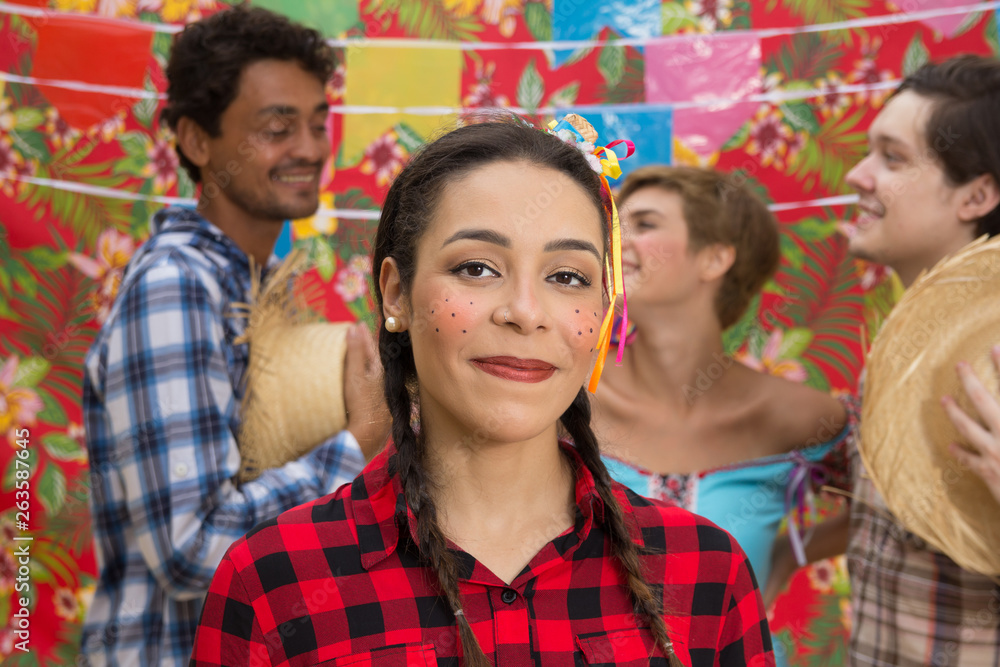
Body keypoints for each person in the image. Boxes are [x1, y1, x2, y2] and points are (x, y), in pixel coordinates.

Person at [189, 118, 775, 666]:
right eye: (476, 268)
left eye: (567, 277)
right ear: (395, 295)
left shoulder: (707, 573)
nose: (525, 313)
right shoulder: (272, 582)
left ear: (601, 311)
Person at [80, 7, 388, 666]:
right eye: (278, 128)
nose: (308, 148)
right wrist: (358, 444)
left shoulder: (258, 286)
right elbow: (192, 549)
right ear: (196, 141)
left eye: (315, 123)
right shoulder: (176, 285)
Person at [774, 54, 1000, 666]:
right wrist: (791, 551)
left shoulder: (992, 358)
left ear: (977, 194)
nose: (856, 173)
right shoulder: (907, 345)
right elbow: (909, 509)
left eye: (892, 158)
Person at [591, 165, 850, 665]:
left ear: (714, 258)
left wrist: (788, 554)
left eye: (643, 224)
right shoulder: (566, 403)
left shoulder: (792, 417)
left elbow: (891, 506)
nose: (615, 240)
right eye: (613, 226)